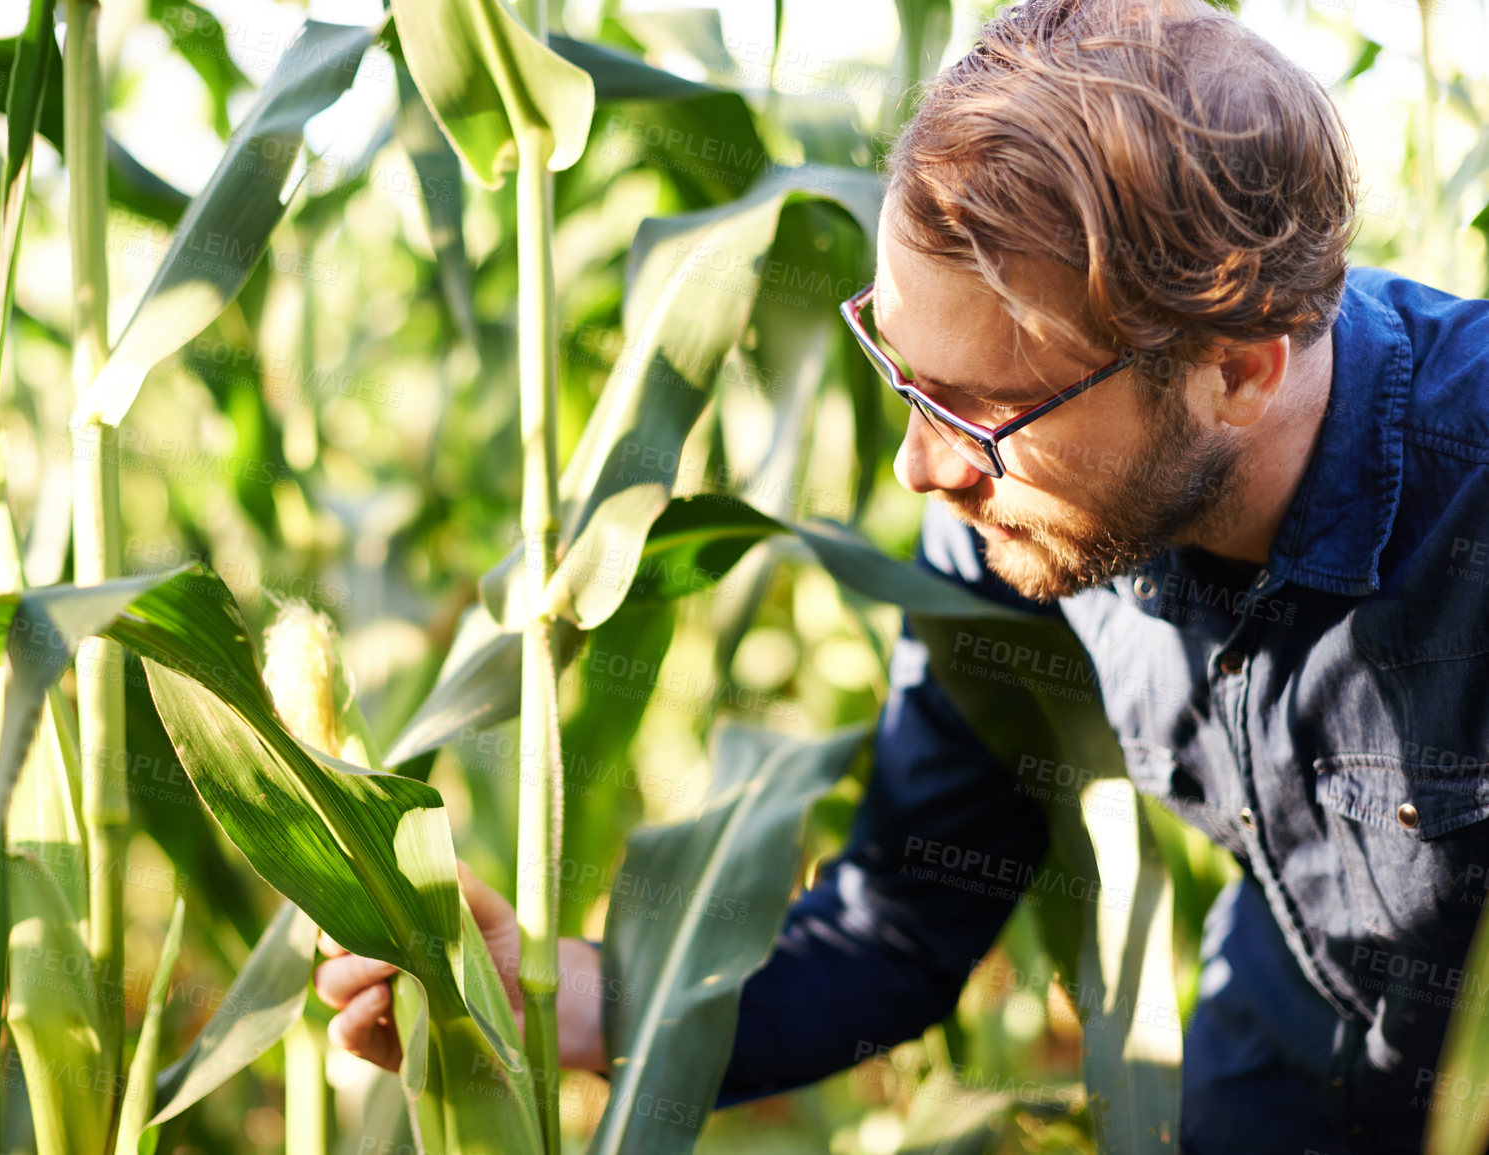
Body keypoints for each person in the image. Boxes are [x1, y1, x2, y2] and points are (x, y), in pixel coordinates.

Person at [316, 0, 1489, 1149]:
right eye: (905, 373)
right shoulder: (1016, 518)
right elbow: (902, 925)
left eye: (984, 408)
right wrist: (560, 997)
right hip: (1275, 1069)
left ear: (1236, 372)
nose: (919, 465)